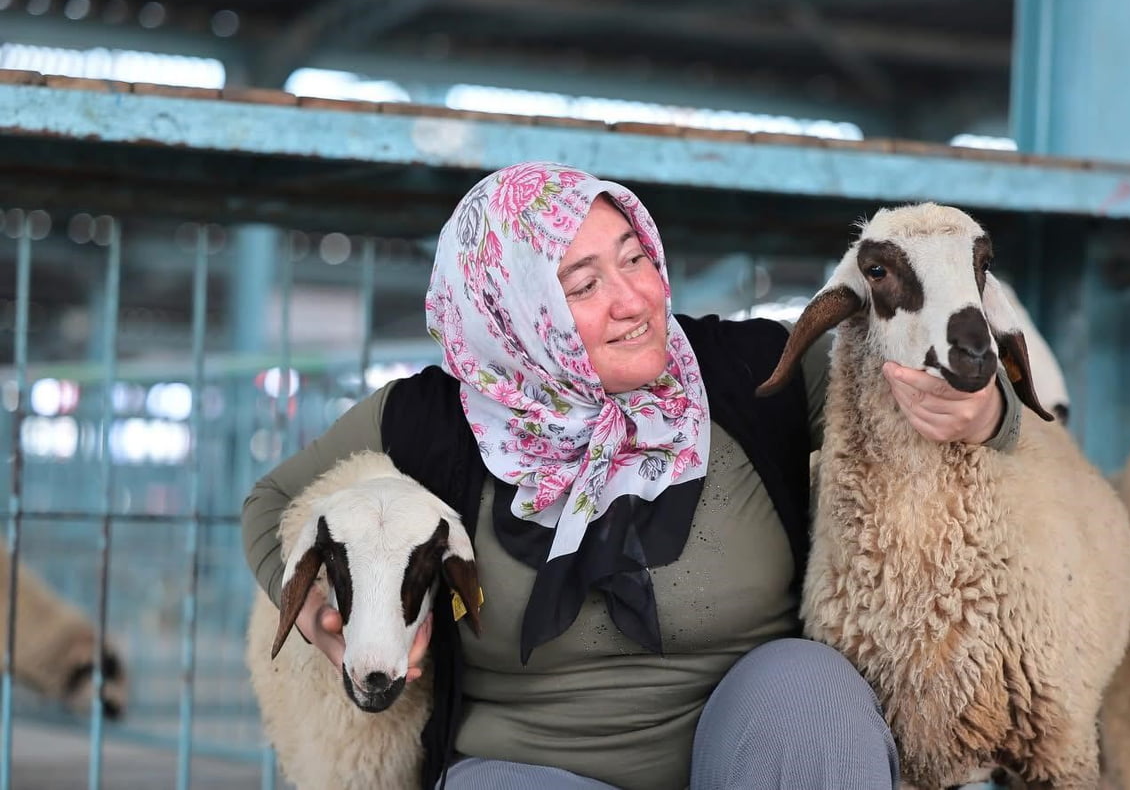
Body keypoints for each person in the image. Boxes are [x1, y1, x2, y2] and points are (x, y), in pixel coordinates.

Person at [242, 162, 1019, 790]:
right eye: (582, 286)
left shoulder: (749, 369)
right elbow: (273, 502)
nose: (636, 301)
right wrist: (314, 610)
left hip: (750, 746)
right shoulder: (431, 421)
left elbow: (933, 375)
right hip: (529, 765)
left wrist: (984, 412)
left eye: (636, 258)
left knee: (810, 694)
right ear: (512, 313)